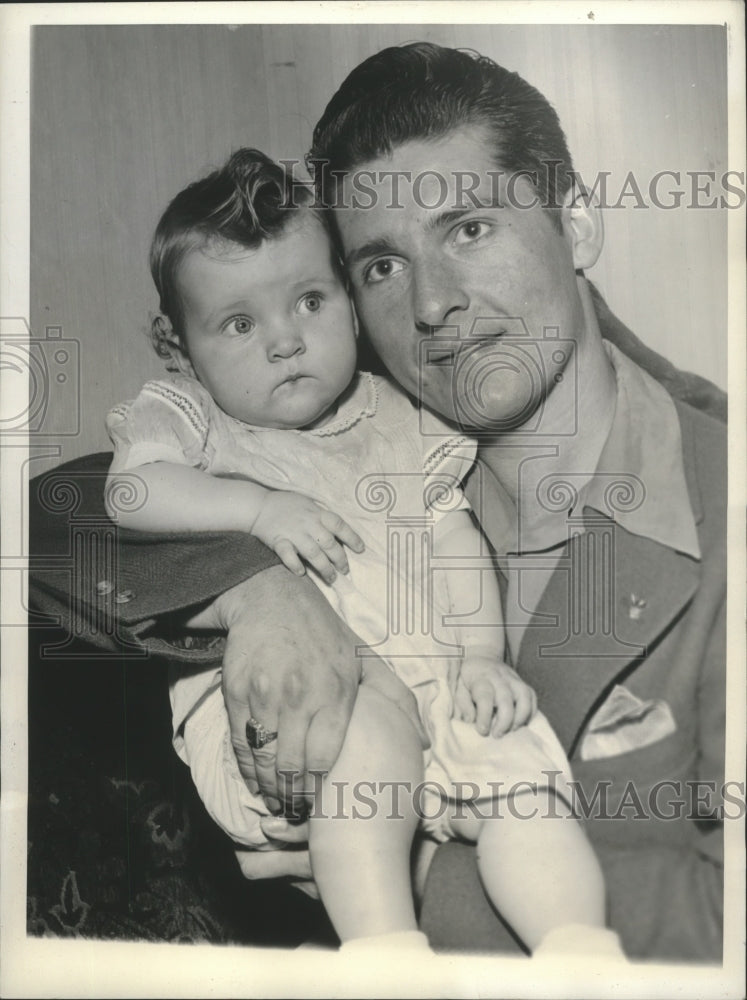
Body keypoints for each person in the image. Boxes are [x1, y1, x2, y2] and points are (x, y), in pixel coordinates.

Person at [28, 42, 727, 961]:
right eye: (381, 267)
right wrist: (252, 587)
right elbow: (57, 513)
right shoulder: (362, 414)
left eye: (469, 228)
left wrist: (415, 876)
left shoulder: (716, 499)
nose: (433, 304)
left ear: (578, 228)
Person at [103, 146, 626, 957]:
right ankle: (382, 956)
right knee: (364, 735)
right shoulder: (191, 420)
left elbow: (451, 538)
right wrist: (258, 506)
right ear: (176, 346)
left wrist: (480, 658)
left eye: (308, 301)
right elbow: (129, 495)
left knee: (518, 769)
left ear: (348, 303)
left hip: (429, 679)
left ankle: (576, 949)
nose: (285, 342)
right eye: (239, 324)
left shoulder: (395, 417)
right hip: (290, 716)